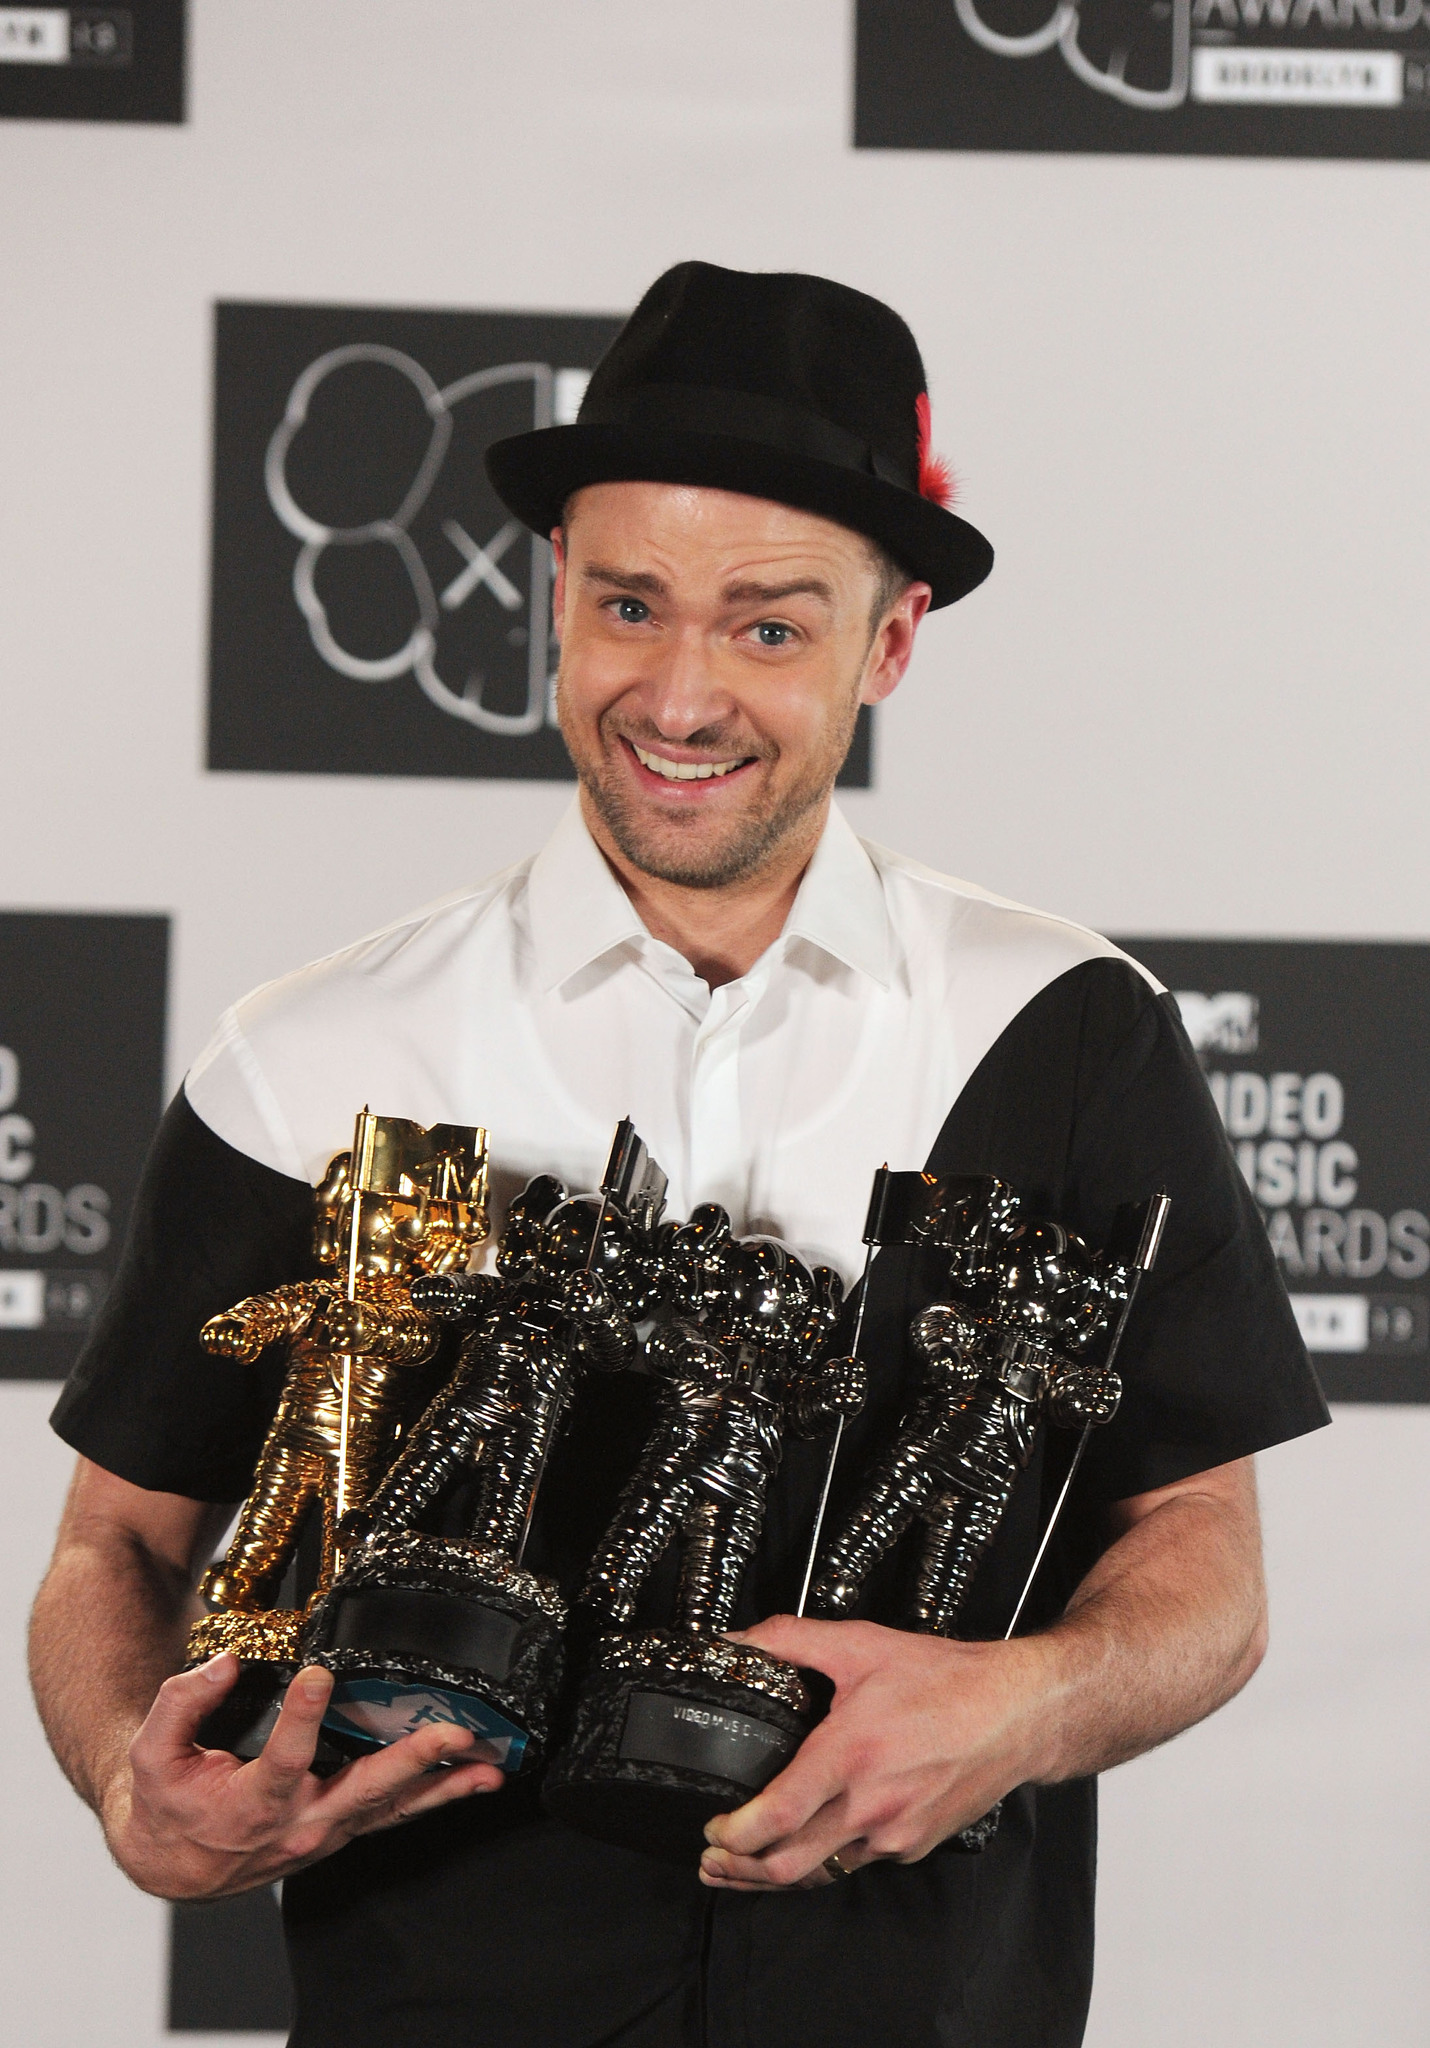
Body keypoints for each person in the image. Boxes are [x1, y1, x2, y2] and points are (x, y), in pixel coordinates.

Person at [30, 261, 1327, 2048]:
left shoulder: (1065, 1026)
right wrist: (129, 1778)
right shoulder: (312, 1053)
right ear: (553, 598)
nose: (682, 694)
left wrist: (1024, 1706)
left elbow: (1202, 1554)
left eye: (769, 625)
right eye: (629, 604)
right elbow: (113, 1546)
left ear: (887, 645)